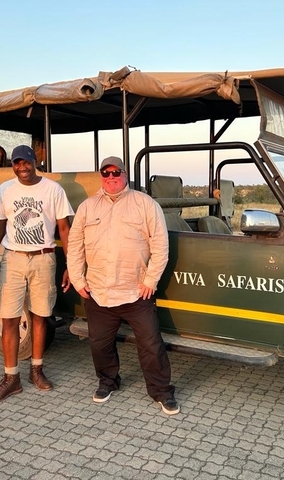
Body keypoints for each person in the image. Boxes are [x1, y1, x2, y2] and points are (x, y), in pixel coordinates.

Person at [67, 156, 179, 415]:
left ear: (125, 174)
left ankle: (161, 391)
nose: (111, 177)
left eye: (115, 172)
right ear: (101, 177)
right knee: (98, 344)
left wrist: (150, 280)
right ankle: (107, 382)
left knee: (151, 344)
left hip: (136, 292)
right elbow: (75, 247)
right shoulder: (87, 207)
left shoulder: (145, 204)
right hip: (98, 292)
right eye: (105, 173)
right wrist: (78, 280)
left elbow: (161, 246)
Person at [0, 145, 74, 403]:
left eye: (26, 162)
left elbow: (64, 229)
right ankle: (11, 378)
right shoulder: (5, 190)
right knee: (9, 317)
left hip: (44, 258)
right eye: (17, 163)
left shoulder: (53, 189)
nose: (22, 167)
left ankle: (37, 370)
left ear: (35, 162)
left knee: (40, 316)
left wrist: (71, 264)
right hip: (14, 258)